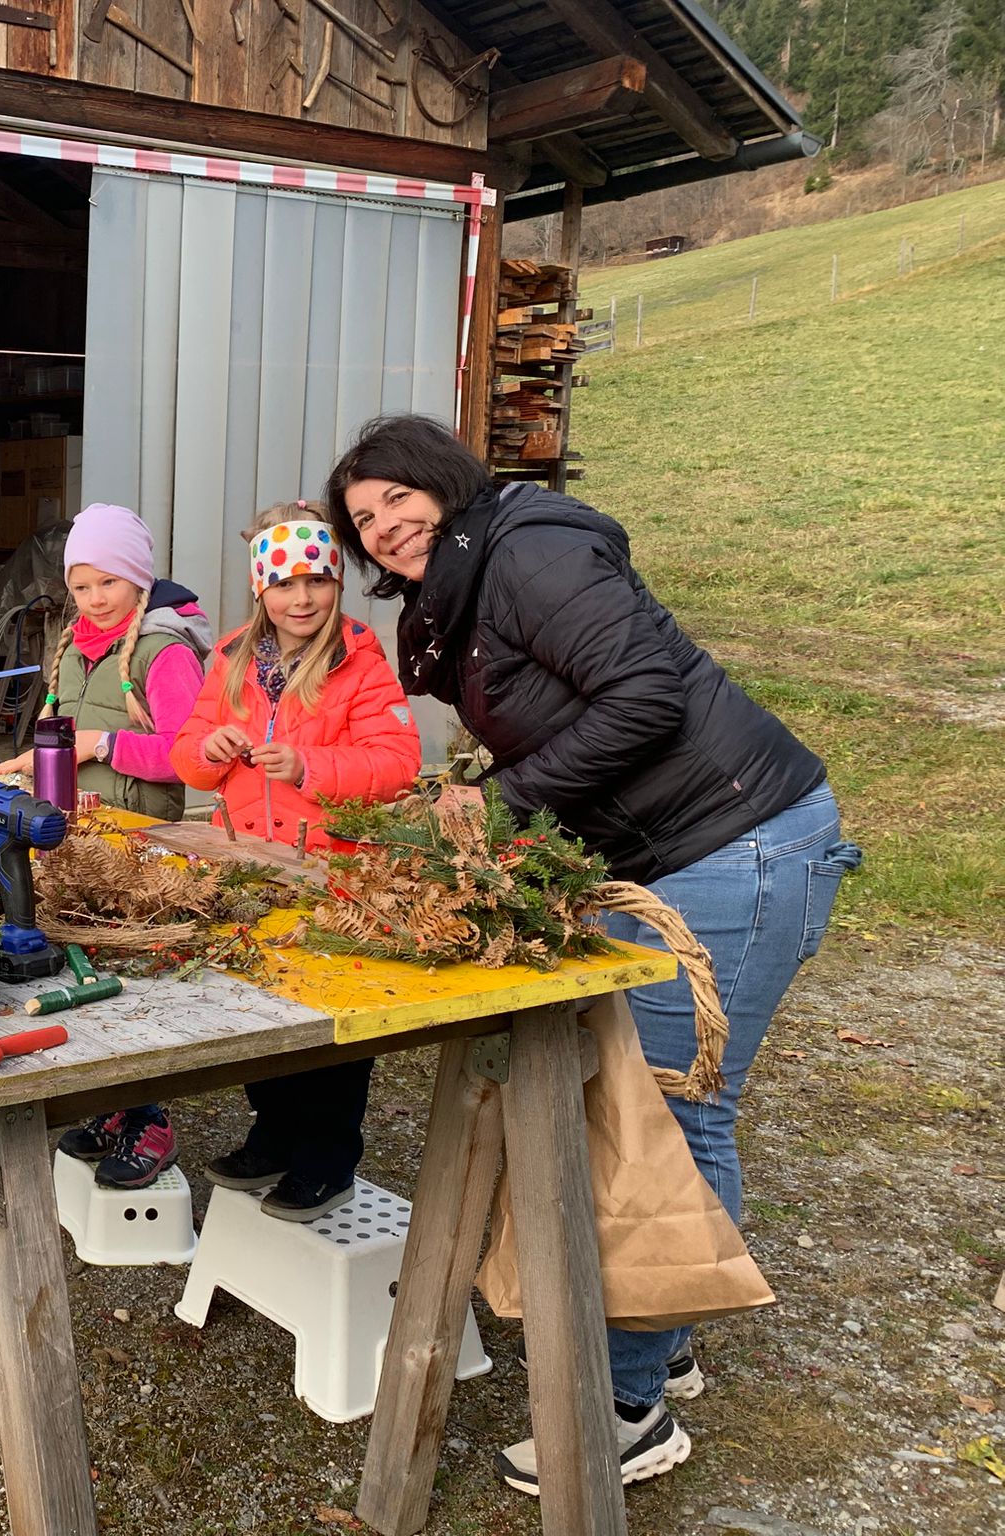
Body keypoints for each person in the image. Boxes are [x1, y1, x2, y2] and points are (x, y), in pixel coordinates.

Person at [324, 413, 859, 1496]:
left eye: (395, 499)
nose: (382, 528)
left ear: (444, 482)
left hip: (736, 842)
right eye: (362, 520)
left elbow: (644, 697)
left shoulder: (526, 550)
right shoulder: (470, 587)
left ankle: (627, 1406)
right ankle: (664, 1337)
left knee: (672, 1112)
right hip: (674, 850)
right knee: (633, 1101)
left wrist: (499, 805)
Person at [171, 503, 422, 1220]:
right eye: (284, 584)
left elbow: (397, 761)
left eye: (317, 580)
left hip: (332, 875)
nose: (301, 598)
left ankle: (327, 1158)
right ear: (261, 589)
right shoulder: (232, 660)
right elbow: (187, 754)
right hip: (251, 869)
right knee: (259, 1010)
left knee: (331, 1022)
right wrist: (210, 750)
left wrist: (310, 766)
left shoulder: (359, 664)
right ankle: (274, 1133)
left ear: (337, 583)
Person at [0, 503, 213, 1189]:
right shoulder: (74, 646)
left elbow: (188, 756)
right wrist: (28, 767)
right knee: (81, 973)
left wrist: (104, 744)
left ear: (138, 576)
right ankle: (117, 1105)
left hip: (138, 848)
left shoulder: (163, 651)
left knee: (129, 984)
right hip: (77, 840)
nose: (94, 599)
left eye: (108, 583)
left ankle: (151, 1118)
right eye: (81, 586)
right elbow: (61, 739)